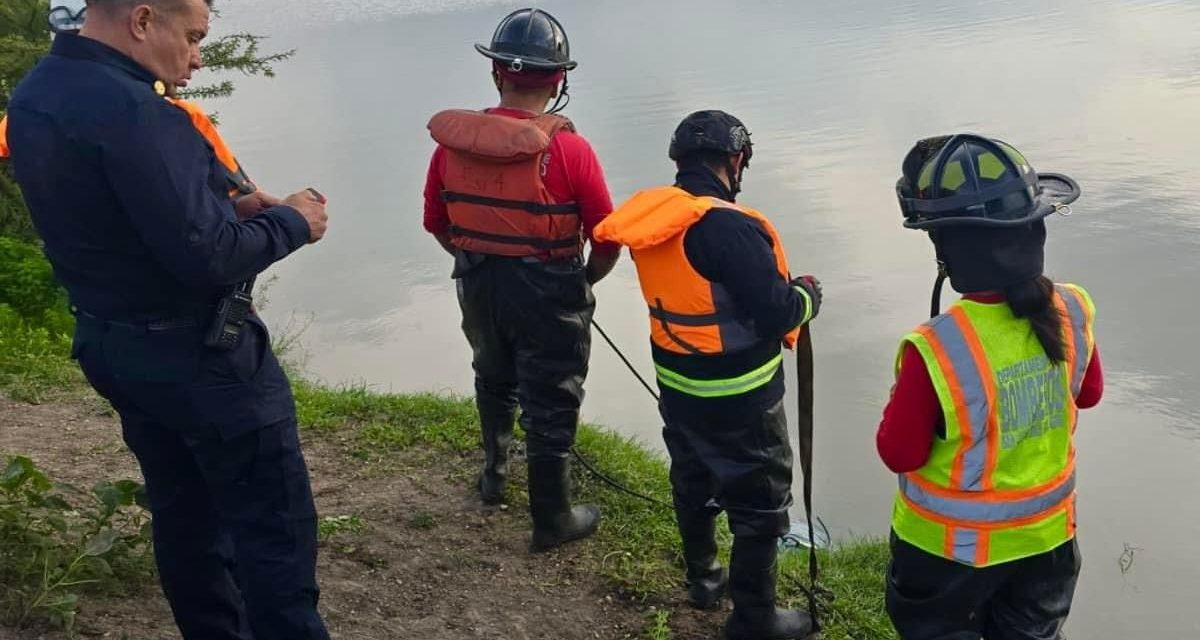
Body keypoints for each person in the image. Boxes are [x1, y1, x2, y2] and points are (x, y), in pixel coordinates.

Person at [5, 1, 332, 638]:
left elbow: (121, 217)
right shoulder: (138, 113)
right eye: (192, 37)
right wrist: (294, 221)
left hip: (113, 343)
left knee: (187, 520)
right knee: (274, 532)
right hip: (200, 359)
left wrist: (226, 209)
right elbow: (211, 258)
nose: (198, 56)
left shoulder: (37, 94)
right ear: (143, 19)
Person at [593, 110, 822, 640]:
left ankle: (704, 578)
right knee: (760, 503)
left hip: (679, 386)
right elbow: (777, 311)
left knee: (693, 478)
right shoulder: (730, 228)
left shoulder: (657, 220)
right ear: (736, 161)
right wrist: (809, 294)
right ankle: (755, 621)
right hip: (743, 397)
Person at [878, 134, 1104, 640]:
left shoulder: (936, 348)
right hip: (1047, 543)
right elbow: (1086, 395)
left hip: (947, 556)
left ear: (946, 247)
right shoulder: (1071, 309)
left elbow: (899, 452)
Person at [422, 7, 621, 551]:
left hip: (479, 283)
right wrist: (583, 280)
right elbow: (607, 237)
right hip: (550, 288)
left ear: (497, 74)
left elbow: (435, 223)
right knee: (552, 396)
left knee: (492, 373)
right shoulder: (571, 150)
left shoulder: (451, 146)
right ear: (559, 79)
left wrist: (477, 255)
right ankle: (552, 517)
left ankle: (493, 476)